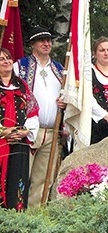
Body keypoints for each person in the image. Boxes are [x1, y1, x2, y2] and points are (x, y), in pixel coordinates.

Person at [14, 26, 65, 207]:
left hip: (52, 132)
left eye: (49, 40)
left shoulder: (60, 70)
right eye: (41, 41)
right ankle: (15, 217)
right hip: (28, 132)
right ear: (32, 45)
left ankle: (35, 218)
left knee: (43, 180)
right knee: (21, 176)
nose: (46, 44)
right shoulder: (20, 67)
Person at [1, 48, 39, 210]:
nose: (7, 61)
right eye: (1, 59)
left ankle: (16, 220)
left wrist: (25, 131)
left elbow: (33, 111)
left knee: (18, 181)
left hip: (20, 143)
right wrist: (3, 131)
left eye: (8, 58)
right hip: (2, 142)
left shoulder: (22, 86)